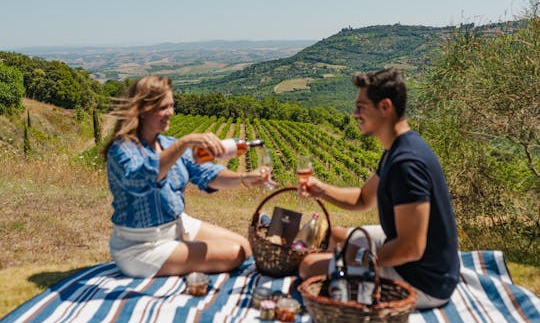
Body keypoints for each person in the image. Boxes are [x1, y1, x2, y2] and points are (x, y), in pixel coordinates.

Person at [298, 68, 459, 309]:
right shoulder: (396, 149)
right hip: (412, 257)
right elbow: (363, 198)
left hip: (424, 281)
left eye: (361, 107)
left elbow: (410, 248)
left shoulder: (407, 164)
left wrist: (356, 259)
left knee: (309, 266)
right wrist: (321, 189)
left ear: (385, 107)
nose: (355, 113)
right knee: (334, 236)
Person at [103, 75, 275, 278]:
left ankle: (183, 252)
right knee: (234, 254)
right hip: (143, 245)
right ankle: (173, 257)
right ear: (142, 110)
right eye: (163, 108)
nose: (170, 113)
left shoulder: (168, 144)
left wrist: (244, 178)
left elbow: (208, 174)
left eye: (171, 106)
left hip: (177, 226)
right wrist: (184, 143)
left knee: (244, 247)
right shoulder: (122, 149)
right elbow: (144, 178)